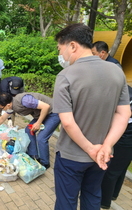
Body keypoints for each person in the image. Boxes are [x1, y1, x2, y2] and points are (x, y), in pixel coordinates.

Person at [53, 23, 130, 210]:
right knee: (92, 197)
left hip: (71, 156)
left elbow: (68, 123)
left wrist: (90, 149)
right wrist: (106, 146)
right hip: (102, 155)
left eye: (60, 49)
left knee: (66, 202)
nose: (61, 55)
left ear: (72, 46)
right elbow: (124, 113)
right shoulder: (116, 72)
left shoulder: (65, 76)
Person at [0, 92, 60, 169]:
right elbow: (2, 118)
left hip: (53, 113)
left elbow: (46, 107)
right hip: (41, 114)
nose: (2, 109)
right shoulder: (11, 106)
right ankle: (34, 156)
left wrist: (38, 123)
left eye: (2, 107)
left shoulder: (25, 100)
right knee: (28, 131)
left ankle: (44, 163)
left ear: (8, 105)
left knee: (41, 138)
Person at [100, 85, 132, 209]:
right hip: (127, 132)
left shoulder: (122, 91)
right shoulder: (125, 89)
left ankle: (105, 201)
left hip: (126, 133)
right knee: (121, 167)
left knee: (112, 170)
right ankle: (113, 194)